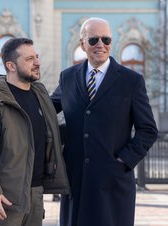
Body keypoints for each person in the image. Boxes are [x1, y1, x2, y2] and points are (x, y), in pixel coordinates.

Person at [51, 17, 158, 226]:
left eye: (106, 39)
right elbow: (45, 110)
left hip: (113, 182)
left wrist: (124, 160)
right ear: (82, 44)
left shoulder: (131, 81)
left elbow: (148, 130)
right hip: (76, 180)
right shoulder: (68, 77)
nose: (100, 44)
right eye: (93, 40)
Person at [0, 38, 69, 226]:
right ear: (11, 65)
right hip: (4, 199)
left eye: (36, 57)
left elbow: (47, 135)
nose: (38, 62)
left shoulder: (40, 95)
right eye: (29, 59)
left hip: (35, 195)